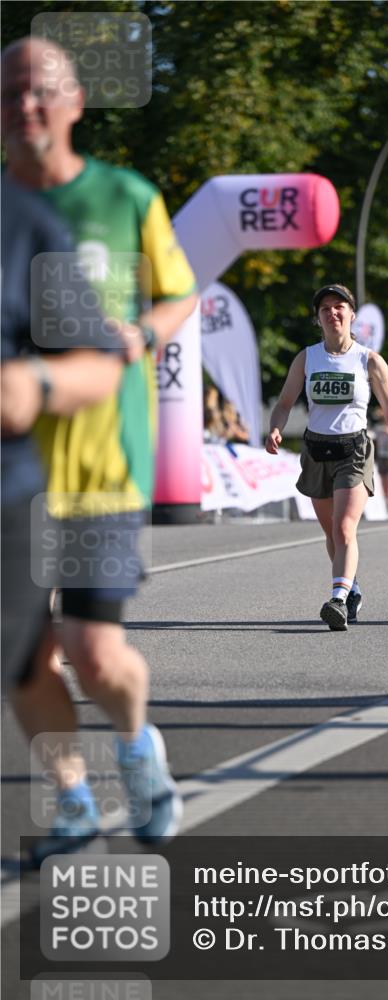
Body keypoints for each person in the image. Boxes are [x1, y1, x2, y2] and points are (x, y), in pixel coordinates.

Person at [2, 36, 198, 861]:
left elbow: (180, 298)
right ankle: (74, 801)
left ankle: (138, 750)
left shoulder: (125, 195)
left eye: (43, 90)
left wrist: (130, 341)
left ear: (76, 102)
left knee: (91, 649)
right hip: (13, 477)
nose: (27, 106)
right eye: (12, 92)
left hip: (100, 464)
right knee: (21, 659)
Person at [1, 175, 123, 693]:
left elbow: (100, 365)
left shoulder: (23, 221)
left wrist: (37, 381)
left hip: (55, 482)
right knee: (38, 660)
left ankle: (131, 743)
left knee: (90, 654)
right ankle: (72, 778)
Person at [265, 283, 388, 630]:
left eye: (340, 307)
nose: (333, 313)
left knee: (344, 528)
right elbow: (284, 403)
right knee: (331, 534)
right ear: (318, 319)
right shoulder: (307, 358)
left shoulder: (369, 360)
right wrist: (277, 428)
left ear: (352, 315)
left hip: (353, 450)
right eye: (325, 309)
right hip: (316, 450)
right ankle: (351, 589)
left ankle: (337, 600)